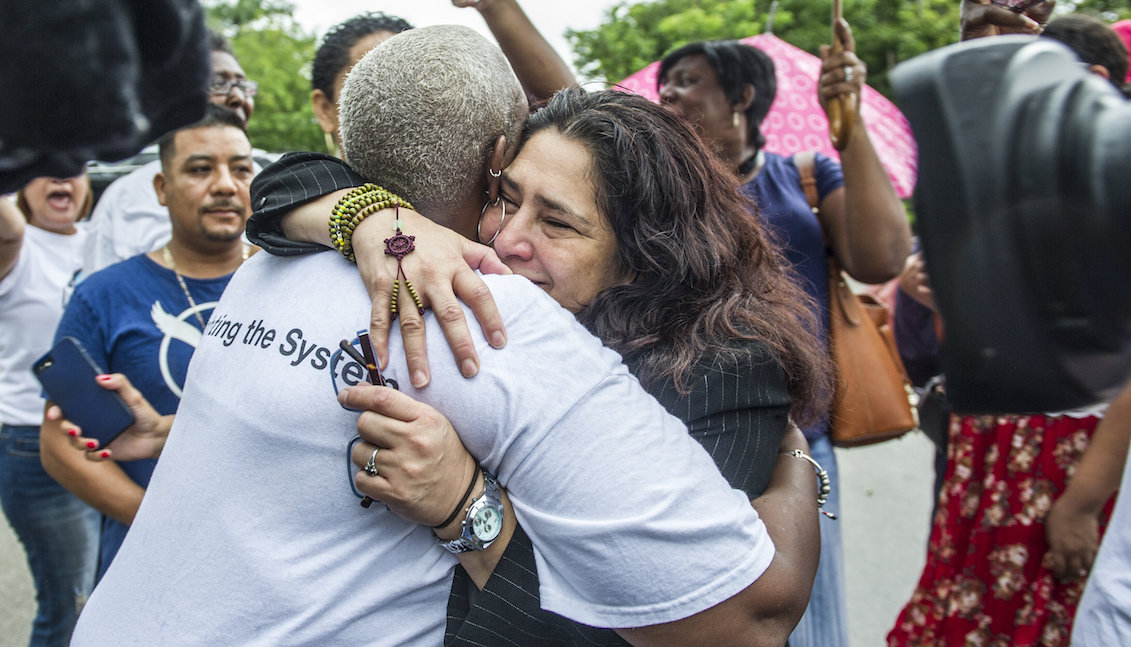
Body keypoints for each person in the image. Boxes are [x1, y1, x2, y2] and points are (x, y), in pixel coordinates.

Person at [67, 26, 822, 646]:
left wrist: (469, 509)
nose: (510, 239)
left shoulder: (269, 268)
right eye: (508, 200)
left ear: (645, 247)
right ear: (497, 161)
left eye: (554, 220)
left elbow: (731, 621)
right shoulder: (476, 307)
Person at [654, 20, 912, 647]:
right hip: (688, 437)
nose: (669, 95)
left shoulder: (806, 173)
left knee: (810, 619)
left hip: (800, 442)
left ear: (742, 97)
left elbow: (881, 258)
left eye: (688, 83)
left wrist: (844, 119)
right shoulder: (659, 190)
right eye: (664, 85)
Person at [885, 16, 1128, 645]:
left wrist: (1079, 503)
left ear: (1091, 83)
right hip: (990, 440)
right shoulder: (1044, 183)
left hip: (1068, 455)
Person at [38, 105, 254, 579]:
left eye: (240, 168)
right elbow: (59, 440)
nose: (224, 184)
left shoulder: (294, 281)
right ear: (161, 188)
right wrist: (157, 523)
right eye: (200, 169)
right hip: (148, 561)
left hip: (272, 559)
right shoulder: (104, 295)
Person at [0, 175, 99, 646]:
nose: (61, 176)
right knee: (70, 603)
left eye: (73, 165)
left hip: (103, 437)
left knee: (98, 593)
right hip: (29, 442)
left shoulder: (101, 238)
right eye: (44, 166)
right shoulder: (16, 242)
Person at [81, 30, 257, 275]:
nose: (237, 97)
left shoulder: (277, 186)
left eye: (242, 85)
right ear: (161, 188)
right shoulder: (124, 200)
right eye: (218, 83)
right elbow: (102, 300)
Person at [309, 11, 413, 156]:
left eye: (412, 82)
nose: (400, 103)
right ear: (325, 110)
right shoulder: (291, 178)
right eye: (371, 85)